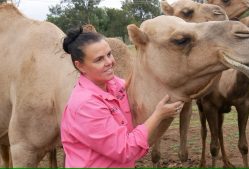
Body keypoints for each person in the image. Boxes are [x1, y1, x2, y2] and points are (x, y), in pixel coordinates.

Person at [60, 26, 184, 168]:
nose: (109, 62)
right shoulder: (86, 106)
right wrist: (158, 115)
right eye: (99, 59)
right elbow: (124, 149)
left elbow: (128, 86)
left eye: (109, 54)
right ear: (80, 66)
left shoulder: (111, 83)